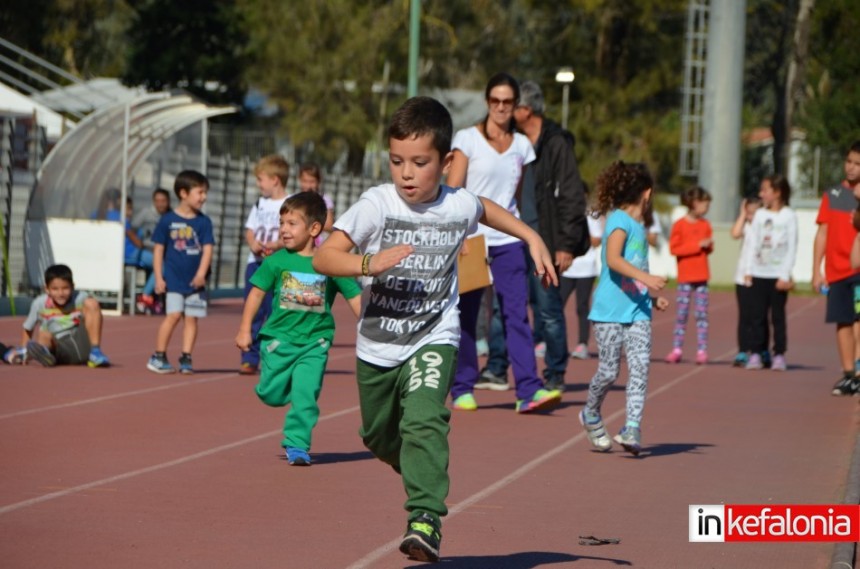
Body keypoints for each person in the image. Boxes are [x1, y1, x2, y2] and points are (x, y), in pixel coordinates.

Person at [312, 96, 557, 563]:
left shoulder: (455, 205)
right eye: (397, 161)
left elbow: (483, 208)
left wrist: (532, 235)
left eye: (420, 163)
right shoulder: (377, 205)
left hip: (433, 336)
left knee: (424, 420)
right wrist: (368, 262)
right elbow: (325, 255)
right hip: (379, 346)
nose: (406, 173)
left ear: (445, 163)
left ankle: (425, 518)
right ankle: (422, 467)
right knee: (379, 436)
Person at [446, 72, 562, 411]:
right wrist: (461, 235)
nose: (500, 107)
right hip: (472, 238)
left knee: (516, 313)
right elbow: (454, 192)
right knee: (467, 314)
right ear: (487, 102)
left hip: (508, 240)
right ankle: (463, 386)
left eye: (507, 102)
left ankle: (528, 389)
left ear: (516, 106)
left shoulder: (523, 146)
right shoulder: (467, 139)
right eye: (494, 101)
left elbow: (513, 196)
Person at [235, 192, 361, 466]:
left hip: (314, 343)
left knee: (306, 395)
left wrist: (371, 328)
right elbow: (256, 294)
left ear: (314, 229)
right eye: (282, 223)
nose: (283, 229)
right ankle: (282, 385)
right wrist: (245, 329)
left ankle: (297, 444)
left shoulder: (331, 263)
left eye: (292, 223)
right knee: (270, 393)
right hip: (278, 340)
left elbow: (355, 298)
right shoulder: (277, 261)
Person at [579, 161, 668, 456]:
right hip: (608, 311)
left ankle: (632, 427)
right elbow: (614, 260)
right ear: (647, 193)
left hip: (639, 310)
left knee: (641, 368)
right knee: (609, 371)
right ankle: (590, 412)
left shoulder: (640, 228)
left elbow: (635, 268)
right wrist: (649, 279)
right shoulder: (618, 220)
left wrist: (651, 296)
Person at [512, 79, 589, 389]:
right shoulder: (509, 140)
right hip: (512, 237)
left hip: (546, 240)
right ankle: (502, 367)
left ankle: (555, 373)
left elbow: (572, 194)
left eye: (511, 104)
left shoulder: (556, 142)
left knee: (548, 309)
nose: (503, 109)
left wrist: (566, 245)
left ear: (526, 110)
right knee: (512, 307)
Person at [146, 170, 215, 375]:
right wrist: (159, 277)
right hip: (174, 280)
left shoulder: (204, 222)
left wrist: (201, 274)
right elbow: (158, 249)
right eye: (200, 192)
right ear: (183, 193)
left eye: (205, 193)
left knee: (191, 318)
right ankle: (159, 355)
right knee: (174, 315)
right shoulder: (167, 220)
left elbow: (208, 249)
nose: (204, 197)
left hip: (195, 282)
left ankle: (186, 356)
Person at [814, 141, 860, 395]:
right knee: (842, 321)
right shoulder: (832, 195)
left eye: (857, 164)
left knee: (859, 320)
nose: (851, 168)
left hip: (859, 269)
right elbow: (822, 232)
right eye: (849, 161)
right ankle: (848, 374)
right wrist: (816, 270)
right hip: (836, 270)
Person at [239, 155, 290, 375]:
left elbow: (296, 232)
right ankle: (249, 357)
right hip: (256, 265)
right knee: (253, 311)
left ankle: (278, 357)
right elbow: (250, 229)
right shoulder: (260, 203)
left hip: (279, 267)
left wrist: (278, 244)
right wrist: (253, 243)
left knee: (278, 312)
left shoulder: (290, 203)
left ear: (275, 180)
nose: (258, 185)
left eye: (261, 180)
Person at [742, 175, 798, 371]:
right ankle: (757, 352)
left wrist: (785, 274)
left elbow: (792, 247)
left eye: (765, 190)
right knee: (757, 316)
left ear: (777, 192)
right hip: (758, 273)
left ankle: (779, 354)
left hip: (777, 276)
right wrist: (748, 270)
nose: (761, 194)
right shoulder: (759, 215)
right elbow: (753, 244)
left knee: (778, 317)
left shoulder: (789, 216)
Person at [22, 264, 111, 368]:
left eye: (65, 288)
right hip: (59, 347)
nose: (61, 293)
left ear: (73, 287)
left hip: (80, 341)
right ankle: (46, 355)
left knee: (92, 303)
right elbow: (28, 328)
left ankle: (95, 352)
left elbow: (94, 312)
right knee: (43, 334)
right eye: (55, 289)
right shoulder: (39, 304)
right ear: (47, 289)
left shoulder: (81, 298)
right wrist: (24, 351)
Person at [665, 186, 713, 365]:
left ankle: (702, 350)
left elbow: (709, 248)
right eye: (704, 204)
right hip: (685, 276)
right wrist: (698, 245)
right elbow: (674, 248)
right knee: (681, 314)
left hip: (702, 276)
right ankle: (677, 349)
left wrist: (707, 245)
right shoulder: (679, 225)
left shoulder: (705, 224)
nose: (707, 207)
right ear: (694, 203)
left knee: (701, 314)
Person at [560, 204, 604, 360]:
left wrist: (578, 236)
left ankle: (582, 344)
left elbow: (597, 240)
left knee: (582, 306)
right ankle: (555, 343)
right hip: (567, 267)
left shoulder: (592, 214)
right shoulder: (564, 212)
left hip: (586, 268)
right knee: (557, 304)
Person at [730, 196, 764, 367]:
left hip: (760, 277)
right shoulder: (746, 226)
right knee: (745, 316)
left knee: (760, 316)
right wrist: (742, 214)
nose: (752, 217)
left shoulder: (764, 228)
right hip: (742, 278)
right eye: (749, 213)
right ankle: (743, 350)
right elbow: (734, 233)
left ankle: (761, 349)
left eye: (754, 213)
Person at [133, 188, 172, 314]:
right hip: (145, 250)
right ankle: (144, 297)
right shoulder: (146, 213)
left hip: (163, 253)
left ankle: (162, 301)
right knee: (160, 267)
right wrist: (136, 241)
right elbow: (130, 228)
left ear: (168, 201)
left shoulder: (171, 216)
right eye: (157, 201)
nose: (160, 204)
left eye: (163, 201)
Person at [298, 162, 335, 237]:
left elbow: (328, 226)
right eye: (305, 181)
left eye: (312, 181)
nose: (308, 186)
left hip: (318, 242)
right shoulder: (295, 200)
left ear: (318, 182)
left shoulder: (325, 200)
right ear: (300, 180)